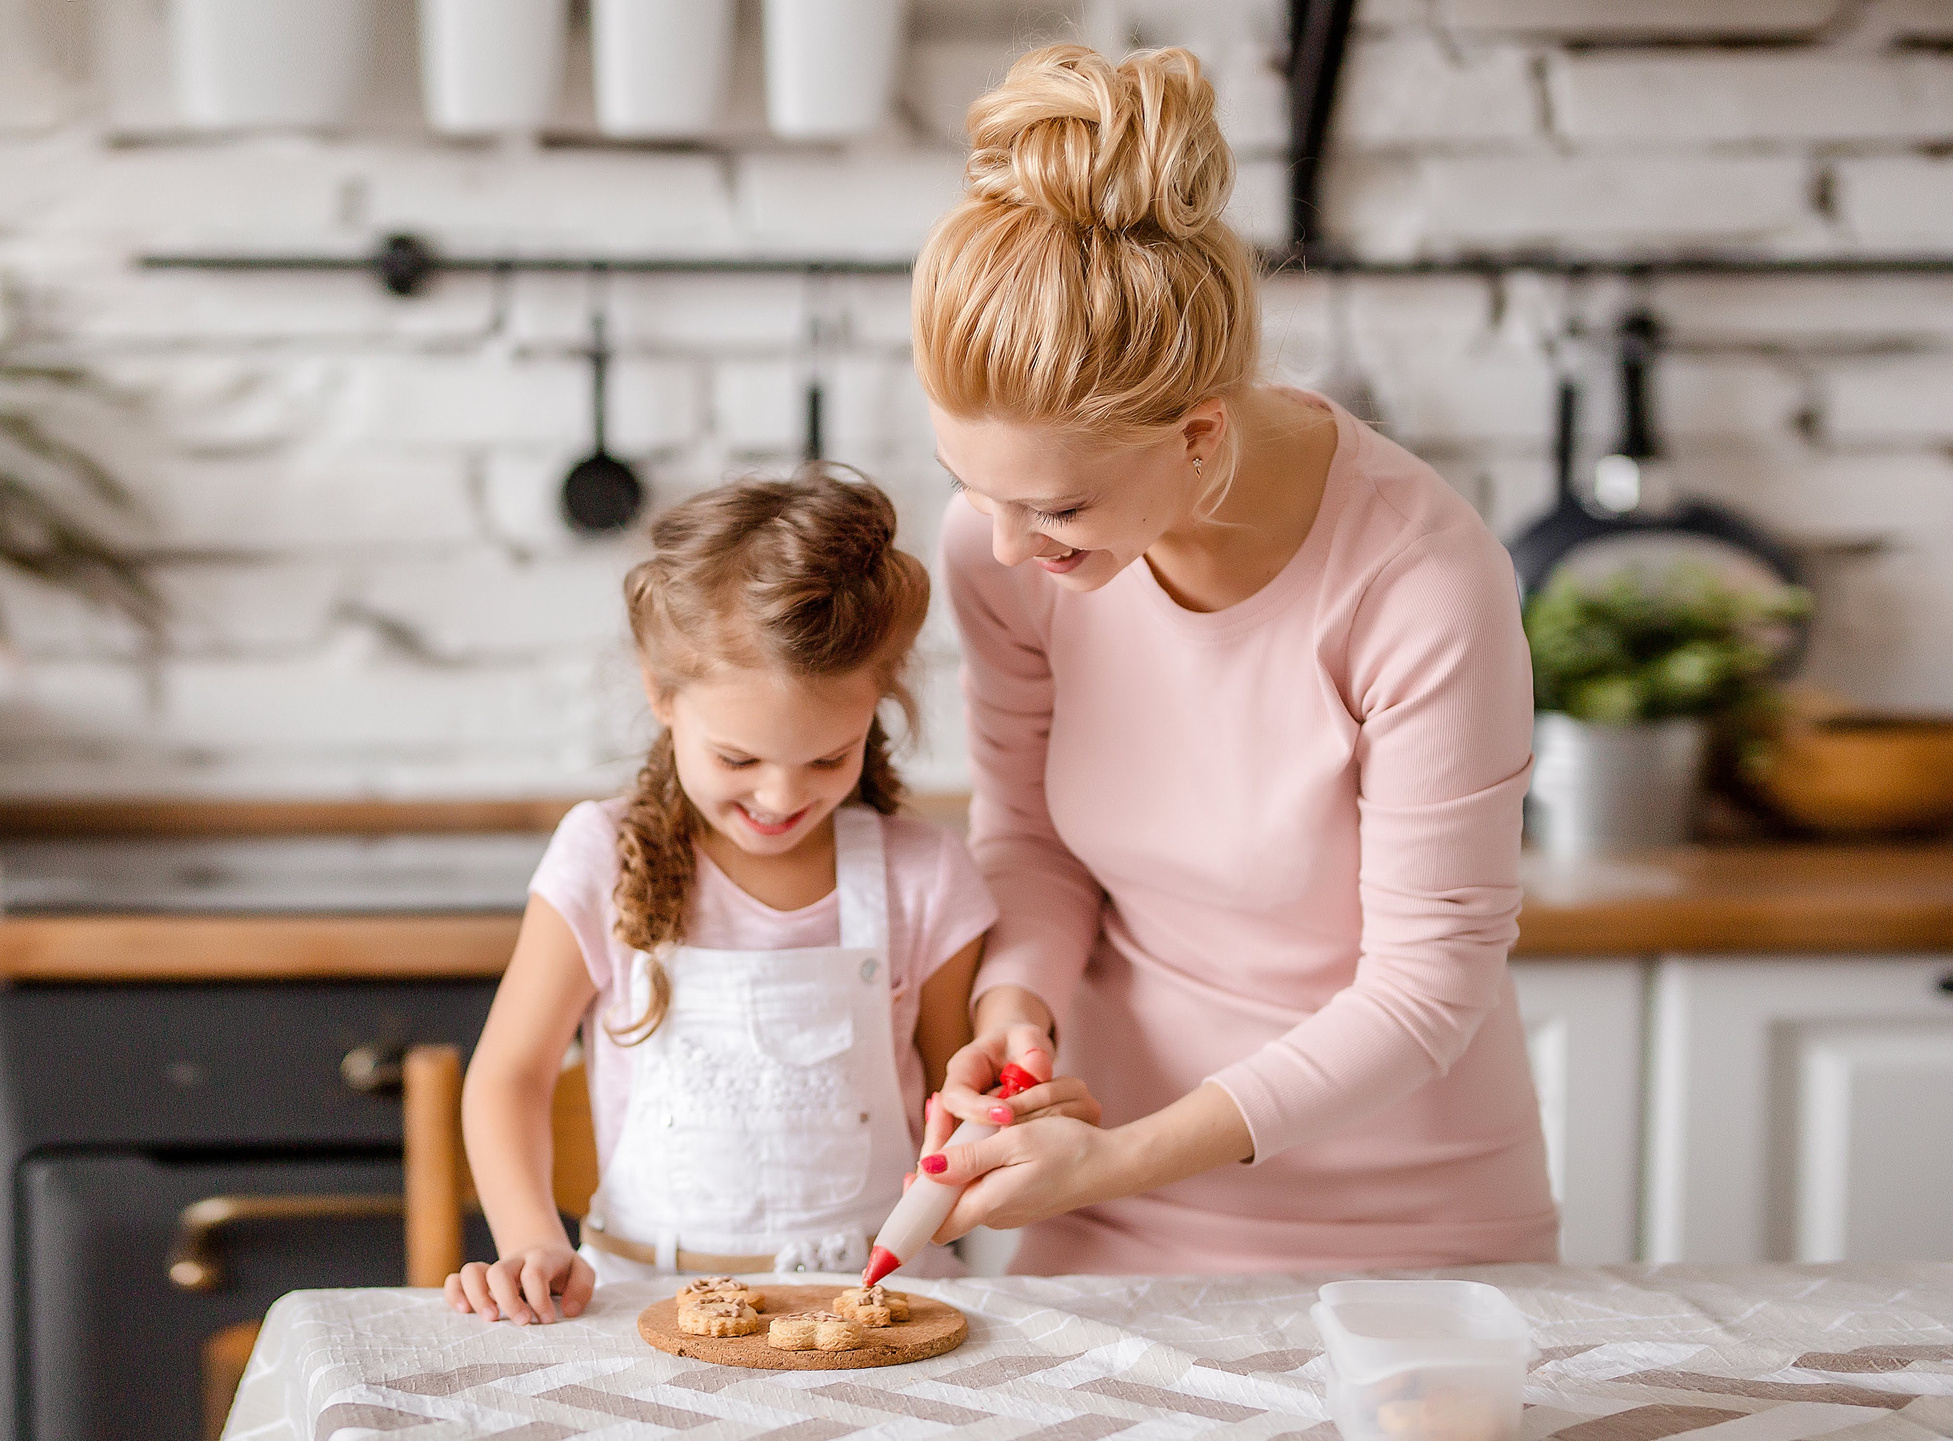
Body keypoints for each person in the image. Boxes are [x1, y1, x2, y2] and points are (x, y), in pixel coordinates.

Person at [909, 45, 1560, 1273]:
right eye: (970, 489)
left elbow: (1426, 989)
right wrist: (1017, 1007)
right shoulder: (1006, 557)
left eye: (1055, 509)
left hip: (1409, 1223)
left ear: (1198, 433)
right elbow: (1031, 846)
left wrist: (1124, 1152)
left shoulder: (1418, 580)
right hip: (1098, 1194)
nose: (1003, 544)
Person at [446, 468, 1098, 1324]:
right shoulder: (599, 855)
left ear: (880, 702)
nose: (783, 797)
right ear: (660, 692)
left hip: (885, 1309)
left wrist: (1007, 1112)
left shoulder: (923, 875)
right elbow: (511, 1074)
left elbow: (955, 1102)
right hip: (646, 1308)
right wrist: (533, 1237)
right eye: (739, 759)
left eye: (830, 758)